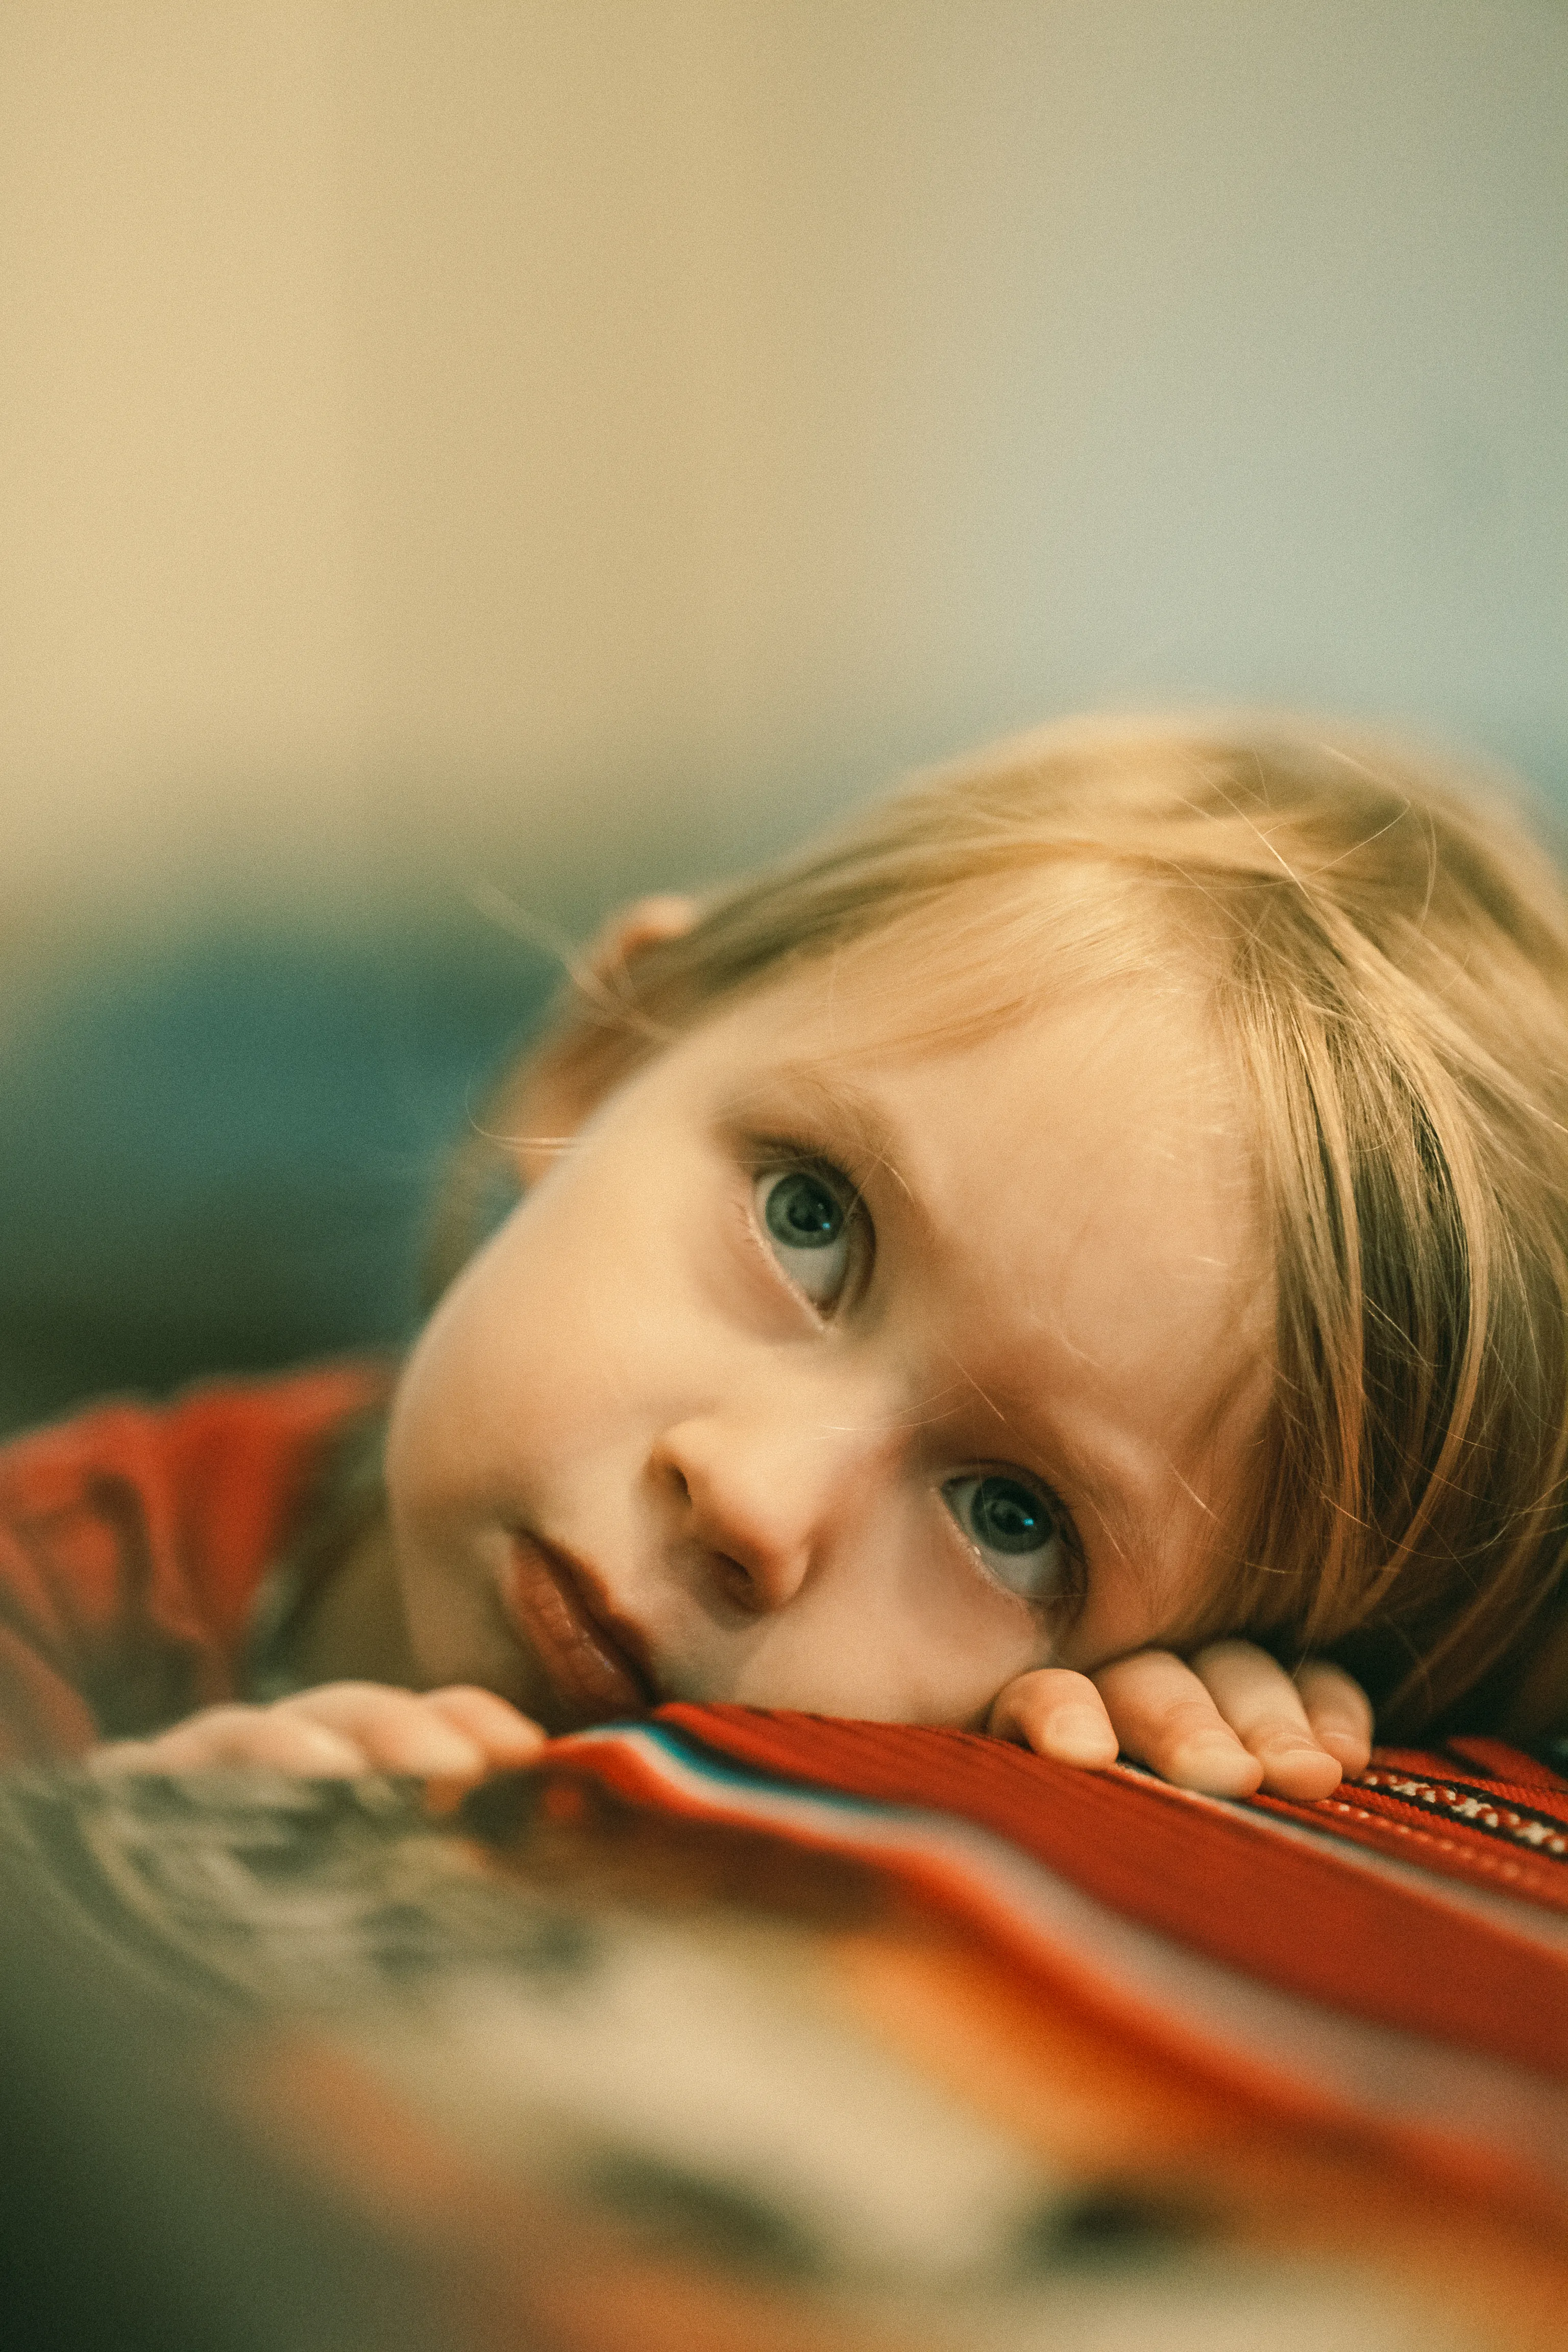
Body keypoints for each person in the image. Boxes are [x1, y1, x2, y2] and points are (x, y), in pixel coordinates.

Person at [5, 714, 1566, 1799]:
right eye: (809, 1221)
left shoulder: (1093, 1755)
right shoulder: (55, 1579)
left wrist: (1216, 1744)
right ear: (605, 1061)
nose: (753, 1501)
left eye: (1014, 1521)